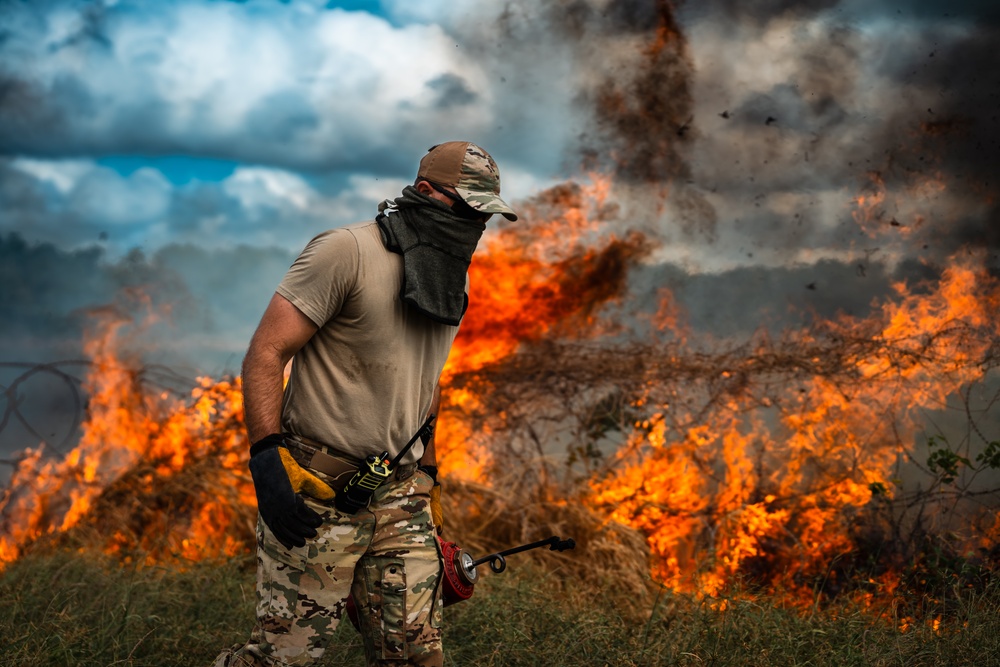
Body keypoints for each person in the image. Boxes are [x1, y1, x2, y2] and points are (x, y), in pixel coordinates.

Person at [212, 141, 517, 667]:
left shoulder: (448, 278)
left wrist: (428, 475)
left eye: (482, 214)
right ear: (424, 193)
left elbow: (426, 379)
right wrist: (266, 459)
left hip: (400, 495)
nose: (475, 223)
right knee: (284, 658)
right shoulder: (344, 252)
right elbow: (266, 352)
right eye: (465, 208)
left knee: (416, 657)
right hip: (317, 490)